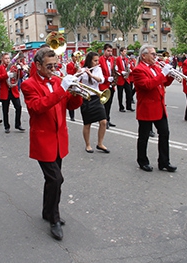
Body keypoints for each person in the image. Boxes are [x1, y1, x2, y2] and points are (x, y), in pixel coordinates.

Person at [21, 48, 82, 241]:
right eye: (49, 66)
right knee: (56, 179)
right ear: (38, 65)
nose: (53, 70)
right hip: (43, 139)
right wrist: (62, 89)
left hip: (58, 138)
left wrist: (77, 92)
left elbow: (71, 106)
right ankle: (54, 219)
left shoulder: (57, 81)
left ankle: (48, 212)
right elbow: (37, 107)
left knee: (53, 180)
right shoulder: (29, 84)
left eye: (55, 65)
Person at [132, 44, 177, 172]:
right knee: (144, 136)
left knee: (164, 133)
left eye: (155, 53)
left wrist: (170, 74)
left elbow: (164, 83)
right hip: (147, 106)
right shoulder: (138, 70)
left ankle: (164, 162)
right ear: (143, 56)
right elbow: (148, 85)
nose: (155, 56)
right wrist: (163, 73)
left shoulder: (156, 67)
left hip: (159, 105)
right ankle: (142, 161)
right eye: (152, 54)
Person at [77, 51, 109, 153]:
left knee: (103, 121)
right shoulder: (82, 70)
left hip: (96, 97)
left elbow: (101, 80)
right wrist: (78, 73)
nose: (96, 62)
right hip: (86, 98)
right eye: (94, 61)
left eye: (97, 61)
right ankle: (88, 145)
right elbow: (75, 82)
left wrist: (91, 75)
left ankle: (100, 143)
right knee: (87, 123)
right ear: (89, 61)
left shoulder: (98, 69)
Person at [0, 53, 25, 133]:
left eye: (8, 58)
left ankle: (18, 124)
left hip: (13, 90)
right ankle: (6, 126)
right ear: (2, 60)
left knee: (18, 107)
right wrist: (6, 75)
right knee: (5, 110)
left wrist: (20, 69)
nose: (7, 60)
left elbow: (20, 76)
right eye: (6, 58)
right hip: (5, 91)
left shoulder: (13, 67)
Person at [99, 43, 116, 129]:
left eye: (111, 51)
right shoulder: (100, 60)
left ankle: (108, 120)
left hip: (111, 85)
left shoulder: (112, 59)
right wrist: (106, 78)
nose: (110, 53)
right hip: (103, 85)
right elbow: (99, 74)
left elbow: (113, 70)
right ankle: (104, 121)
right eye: (108, 51)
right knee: (104, 105)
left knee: (109, 104)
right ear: (104, 51)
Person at [116, 47, 134, 112]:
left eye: (126, 51)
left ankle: (129, 106)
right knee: (120, 94)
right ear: (121, 52)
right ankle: (121, 107)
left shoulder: (127, 59)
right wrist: (121, 72)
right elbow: (116, 69)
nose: (125, 53)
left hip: (127, 78)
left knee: (129, 92)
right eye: (124, 51)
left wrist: (130, 69)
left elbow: (129, 67)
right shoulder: (117, 59)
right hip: (120, 78)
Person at [66, 52, 81, 121]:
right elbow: (69, 74)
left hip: (78, 82)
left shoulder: (80, 64)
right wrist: (74, 69)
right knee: (71, 97)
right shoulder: (69, 65)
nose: (76, 58)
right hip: (71, 83)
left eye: (77, 57)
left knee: (78, 98)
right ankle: (72, 116)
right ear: (72, 57)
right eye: (75, 57)